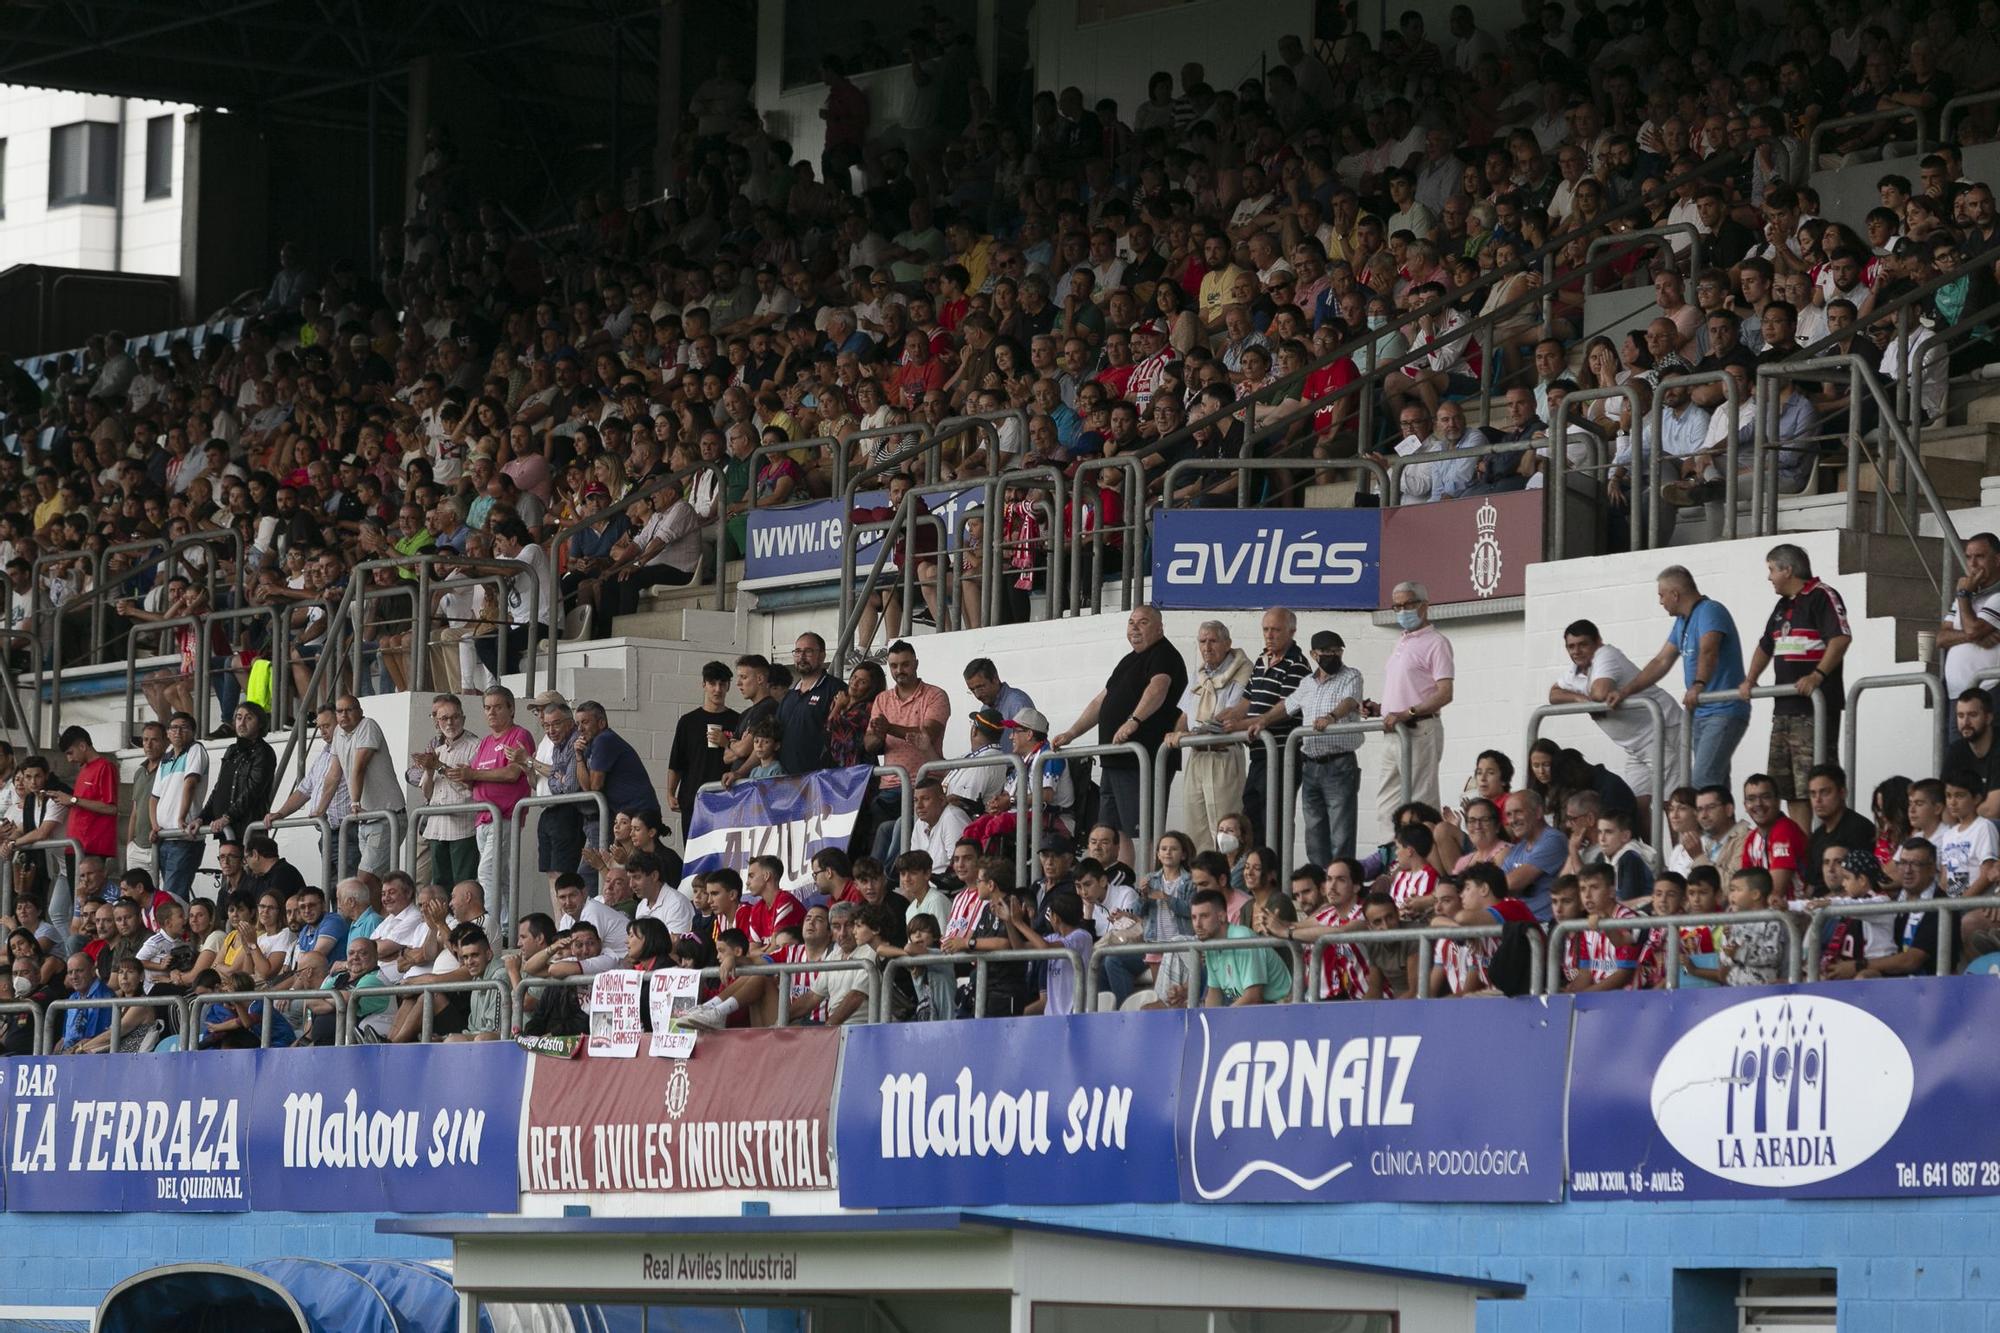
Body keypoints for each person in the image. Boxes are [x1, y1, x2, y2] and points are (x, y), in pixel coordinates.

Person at [1053, 605, 1188, 870]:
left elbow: (1158, 688)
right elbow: (1100, 702)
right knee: (1115, 830)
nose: (1135, 628)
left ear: (1159, 627)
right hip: (1115, 761)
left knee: (1144, 829)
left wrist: (1133, 721)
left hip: (1142, 759)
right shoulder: (1128, 661)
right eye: (1131, 622)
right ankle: (1125, 883)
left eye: (1143, 622)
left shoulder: (1164, 655)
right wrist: (1072, 732)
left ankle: (1149, 882)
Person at [1741, 544, 1851, 828]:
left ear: (1788, 570)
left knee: (1816, 783)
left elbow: (1840, 639)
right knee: (1788, 786)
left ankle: (1826, 845)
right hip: (1784, 709)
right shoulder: (1782, 605)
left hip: (1813, 709)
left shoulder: (1822, 595)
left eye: (1772, 570)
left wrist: (1817, 675)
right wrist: (1750, 680)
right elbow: (1766, 645)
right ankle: (1803, 847)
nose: (1769, 578)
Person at [1614, 566, 1751, 792]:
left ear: (1675, 594)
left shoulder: (1710, 611)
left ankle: (1708, 828)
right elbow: (1661, 661)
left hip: (1724, 710)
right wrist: (1626, 691)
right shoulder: (1682, 622)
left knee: (1702, 784)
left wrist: (1698, 685)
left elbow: (1709, 650)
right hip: (1701, 713)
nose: (1660, 602)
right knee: (1716, 789)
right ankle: (1726, 829)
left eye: (1661, 595)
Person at [1549, 619, 1683, 826]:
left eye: (1583, 644)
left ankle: (1681, 859)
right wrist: (1583, 701)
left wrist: (1592, 701)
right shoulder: (1574, 672)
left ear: (1598, 642)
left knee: (1673, 804)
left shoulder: (1606, 654)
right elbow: (1553, 694)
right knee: (1636, 805)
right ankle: (1647, 857)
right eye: (1571, 646)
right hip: (1635, 747)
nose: (1576, 651)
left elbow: (1600, 693)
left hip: (1662, 730)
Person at [1249, 629, 1365, 866]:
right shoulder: (1306, 684)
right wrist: (1262, 721)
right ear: (1314, 654)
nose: (1332, 655)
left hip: (1339, 763)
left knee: (1341, 833)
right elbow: (1286, 706)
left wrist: (1331, 717)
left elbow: (1350, 701)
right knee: (1314, 834)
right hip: (1311, 765)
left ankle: (1342, 884)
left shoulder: (1351, 676)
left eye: (1337, 651)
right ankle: (1321, 890)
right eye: (1326, 652)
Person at [1224, 609, 1311, 850]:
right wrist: (1221, 720)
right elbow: (1246, 702)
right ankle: (1254, 874)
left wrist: (1244, 725)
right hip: (1260, 754)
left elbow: (1286, 708)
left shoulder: (1298, 664)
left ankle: (1274, 877)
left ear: (1291, 632)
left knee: (1273, 819)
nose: (1269, 635)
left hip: (1282, 755)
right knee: (1251, 816)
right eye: (1265, 629)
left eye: (1275, 629)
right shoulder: (1262, 659)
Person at [1166, 620, 1252, 853]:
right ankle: (1202, 885)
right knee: (1195, 832)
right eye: (1202, 641)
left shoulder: (1242, 669)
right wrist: (1178, 732)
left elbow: (1231, 714)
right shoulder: (1199, 674)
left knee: (1225, 832)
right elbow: (1185, 714)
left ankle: (1230, 883)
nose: (1207, 647)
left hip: (1223, 754)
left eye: (1213, 640)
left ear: (1227, 643)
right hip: (1197, 755)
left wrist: (1196, 732)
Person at [1374, 581, 1454, 827]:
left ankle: (1427, 860)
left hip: (1419, 729)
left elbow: (1445, 693)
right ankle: (1394, 859)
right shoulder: (1401, 641)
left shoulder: (1436, 642)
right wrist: (1380, 709)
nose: (1401, 611)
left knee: (1421, 803)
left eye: (1407, 604)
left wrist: (1409, 712)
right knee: (1386, 805)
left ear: (1424, 606)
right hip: (1393, 731)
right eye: (1396, 606)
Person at [864, 641, 950, 863]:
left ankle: (894, 879)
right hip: (889, 788)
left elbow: (927, 734)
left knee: (904, 839)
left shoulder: (935, 695)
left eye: (905, 665)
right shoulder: (882, 699)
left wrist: (888, 728)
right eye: (893, 666)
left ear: (916, 664)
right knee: (883, 834)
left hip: (923, 784)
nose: (899, 671)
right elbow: (870, 744)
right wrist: (877, 734)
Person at [407, 693, 481, 887]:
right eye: (444, 718)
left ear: (463, 718)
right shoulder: (437, 751)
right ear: (437, 722)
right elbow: (428, 794)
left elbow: (473, 786)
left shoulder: (475, 746)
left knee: (464, 885)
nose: (449, 723)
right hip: (437, 827)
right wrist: (430, 770)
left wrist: (439, 766)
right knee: (440, 886)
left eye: (454, 717)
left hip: (463, 828)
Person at [666, 661, 739, 843]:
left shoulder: (738, 720)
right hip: (693, 799)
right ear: (704, 685)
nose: (717, 689)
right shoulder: (688, 721)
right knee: (694, 854)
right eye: (712, 684)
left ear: (729, 686)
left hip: (727, 799)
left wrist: (726, 743)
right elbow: (677, 762)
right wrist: (670, 793)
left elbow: (744, 757)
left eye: (722, 684)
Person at [1189, 887, 1291, 1005]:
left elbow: (1254, 997)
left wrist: (1225, 1021)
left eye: (1204, 916)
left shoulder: (1242, 938)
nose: (1197, 924)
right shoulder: (1211, 944)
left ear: (1221, 916)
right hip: (1250, 1007)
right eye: (1194, 917)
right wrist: (1209, 1022)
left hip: (1280, 1006)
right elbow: (1214, 993)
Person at [1937, 532, 2000, 722]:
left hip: (1989, 692)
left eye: (1979, 557)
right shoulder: (1968, 595)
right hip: (1957, 696)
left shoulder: (1992, 595)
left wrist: (1963, 594)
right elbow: (1941, 638)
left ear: (1997, 560)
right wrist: (1974, 636)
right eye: (1968, 557)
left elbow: (1973, 630)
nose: (1972, 564)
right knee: (1957, 751)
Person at [149, 712, 210, 900]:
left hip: (184, 837)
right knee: (168, 896)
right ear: (167, 733)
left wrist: (181, 817)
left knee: (173, 896)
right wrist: (155, 826)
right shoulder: (166, 758)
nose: (178, 731)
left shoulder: (195, 750)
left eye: (184, 727)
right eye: (173, 728)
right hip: (165, 838)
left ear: (192, 732)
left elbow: (190, 783)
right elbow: (154, 798)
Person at [1803, 763, 1880, 893]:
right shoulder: (1816, 837)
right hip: (1820, 908)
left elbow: (1860, 884)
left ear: (1842, 793)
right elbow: (1811, 885)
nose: (1817, 800)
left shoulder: (1859, 829)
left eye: (1825, 792)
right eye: (1813, 794)